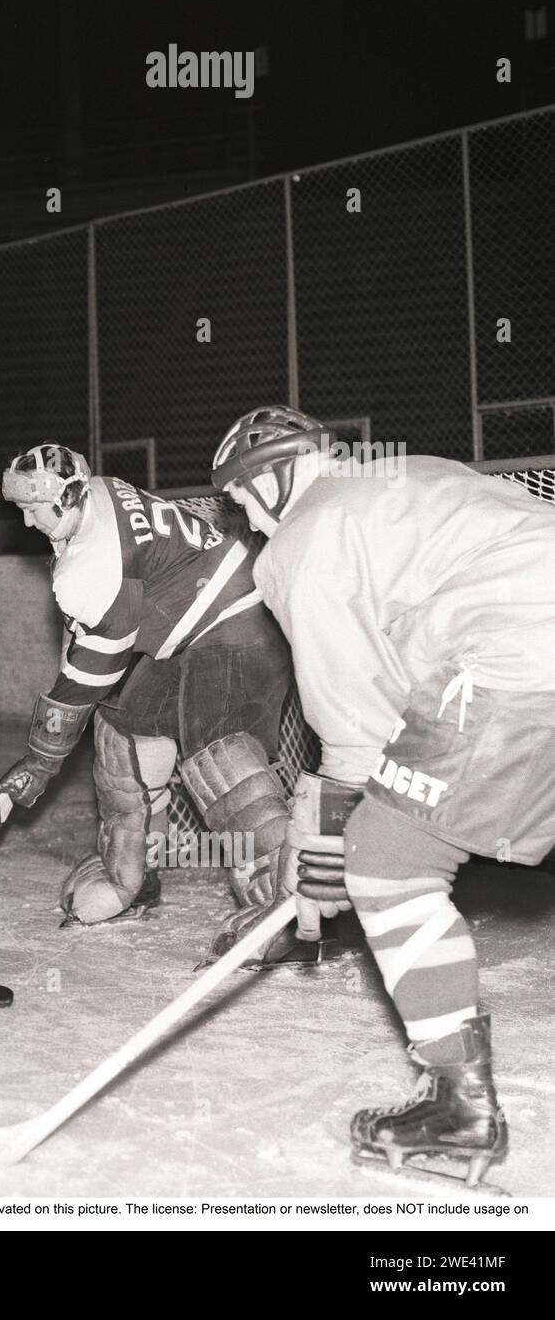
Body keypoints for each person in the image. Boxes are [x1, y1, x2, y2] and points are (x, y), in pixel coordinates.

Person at [211, 404, 555, 1186]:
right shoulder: (401, 479)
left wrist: (333, 846)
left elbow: (357, 732)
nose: (245, 519)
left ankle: (457, 1110)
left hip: (520, 651)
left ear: (272, 476)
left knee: (389, 862)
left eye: (239, 498)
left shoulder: (302, 541)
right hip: (526, 635)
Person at [0, 443, 298, 961]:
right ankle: (131, 874)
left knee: (217, 755)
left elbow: (93, 672)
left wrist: (41, 759)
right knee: (123, 730)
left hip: (241, 626)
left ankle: (288, 906)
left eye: (33, 508)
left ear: (68, 496)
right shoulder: (100, 489)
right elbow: (111, 636)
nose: (27, 523)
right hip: (189, 630)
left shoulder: (92, 564)